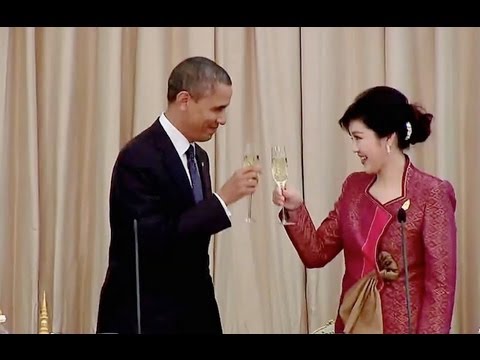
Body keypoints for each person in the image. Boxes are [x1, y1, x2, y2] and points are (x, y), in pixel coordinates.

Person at [96, 56, 261, 334]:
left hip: (196, 312)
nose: (222, 120)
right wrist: (221, 201)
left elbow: (192, 247)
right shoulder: (138, 157)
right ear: (185, 100)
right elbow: (152, 242)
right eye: (217, 109)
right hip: (146, 316)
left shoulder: (200, 157)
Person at [272, 86, 457, 334]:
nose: (354, 148)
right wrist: (295, 210)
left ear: (388, 138)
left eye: (358, 138)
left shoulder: (431, 194)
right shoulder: (353, 188)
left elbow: (440, 287)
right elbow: (316, 253)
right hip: (352, 323)